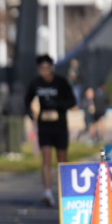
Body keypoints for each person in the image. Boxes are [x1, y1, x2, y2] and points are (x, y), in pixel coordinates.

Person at [24, 54, 76, 207]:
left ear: (51, 68)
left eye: (47, 68)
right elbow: (27, 99)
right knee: (46, 157)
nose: (44, 72)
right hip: (44, 125)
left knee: (62, 158)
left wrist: (59, 104)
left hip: (59, 124)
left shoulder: (61, 82)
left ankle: (64, 191)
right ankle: (47, 191)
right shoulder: (36, 83)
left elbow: (72, 101)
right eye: (42, 69)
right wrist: (29, 111)